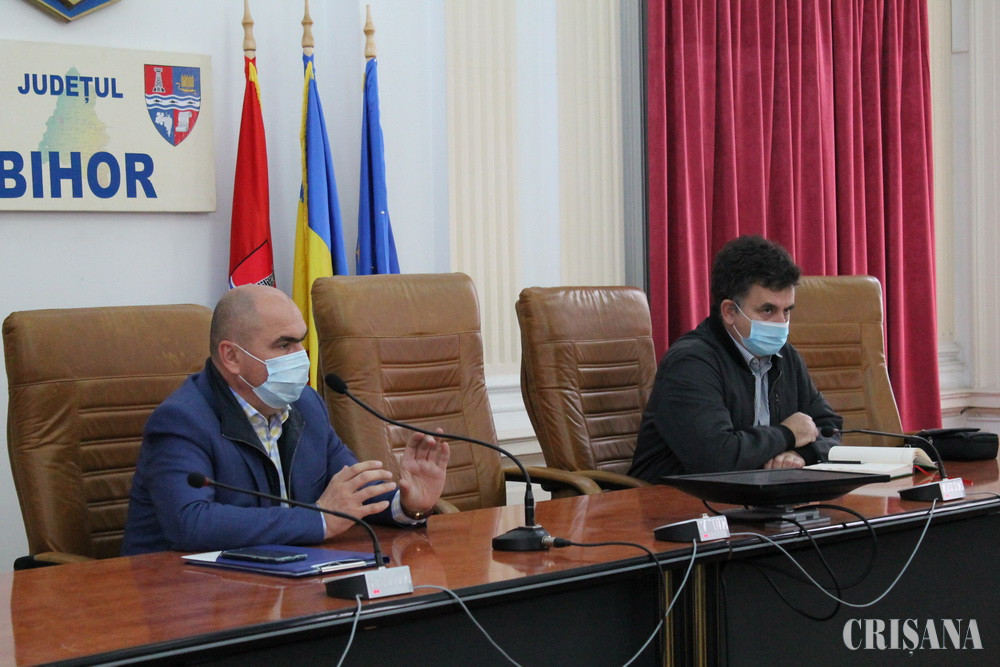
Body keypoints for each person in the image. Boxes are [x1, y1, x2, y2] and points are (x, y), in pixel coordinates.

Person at [121, 285, 450, 555]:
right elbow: (191, 523)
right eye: (284, 344)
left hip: (283, 579)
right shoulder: (182, 420)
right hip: (179, 593)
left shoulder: (306, 404)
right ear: (231, 357)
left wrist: (408, 504)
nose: (300, 356)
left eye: (300, 340)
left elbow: (350, 493)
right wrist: (318, 521)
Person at [629, 235, 842, 482]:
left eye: (787, 311)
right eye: (768, 310)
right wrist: (787, 434)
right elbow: (716, 458)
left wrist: (801, 454)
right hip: (674, 499)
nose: (781, 323)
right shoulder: (690, 363)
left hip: (758, 494)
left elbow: (830, 427)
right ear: (730, 311)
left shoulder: (786, 357)